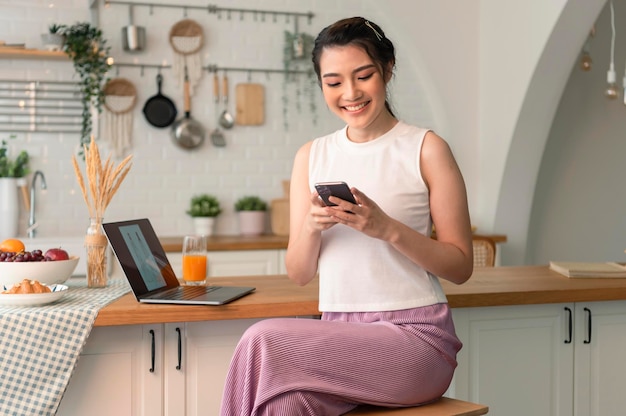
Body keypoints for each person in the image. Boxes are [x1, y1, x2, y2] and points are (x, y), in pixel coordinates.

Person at [220, 16, 473, 416]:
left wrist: (386, 229)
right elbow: (299, 274)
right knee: (283, 406)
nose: (350, 93)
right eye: (333, 82)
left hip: (415, 341)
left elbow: (460, 266)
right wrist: (310, 226)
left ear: (387, 70)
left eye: (364, 76)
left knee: (262, 338)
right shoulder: (312, 155)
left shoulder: (426, 149)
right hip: (339, 337)